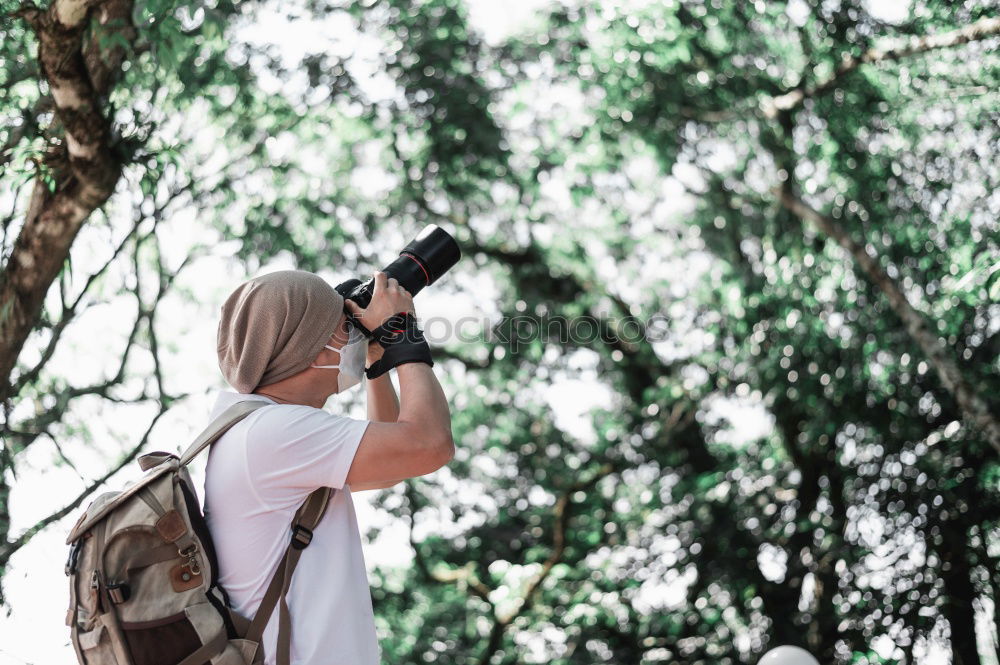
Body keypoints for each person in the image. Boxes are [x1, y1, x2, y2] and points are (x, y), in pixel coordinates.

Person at [203, 269, 454, 665]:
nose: (356, 333)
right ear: (315, 350)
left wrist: (377, 361)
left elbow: (391, 466)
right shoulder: (274, 433)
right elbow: (429, 444)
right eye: (346, 326)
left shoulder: (254, 431)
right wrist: (401, 331)